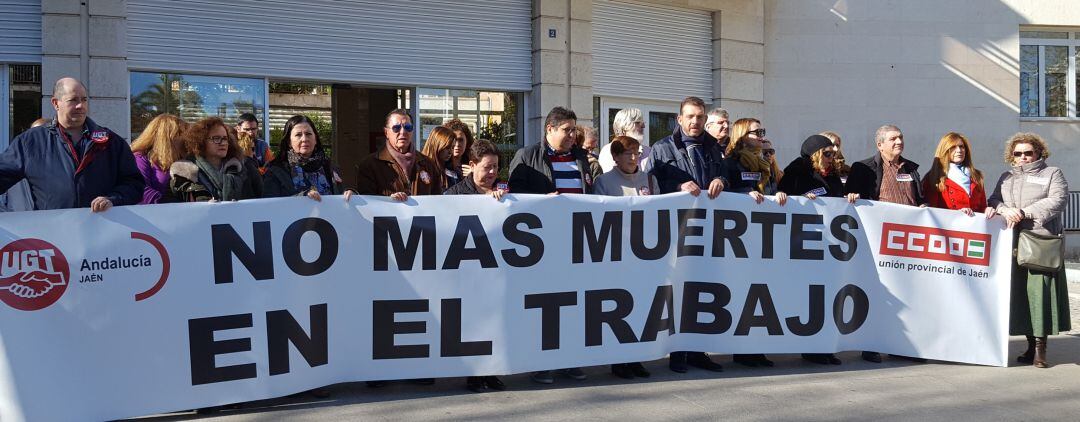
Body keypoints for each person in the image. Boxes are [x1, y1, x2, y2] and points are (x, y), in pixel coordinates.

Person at [647, 97, 726, 374]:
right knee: (678, 290)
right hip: (677, 230)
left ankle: (698, 350)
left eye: (700, 117)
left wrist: (721, 181)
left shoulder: (714, 147)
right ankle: (677, 352)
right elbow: (652, 184)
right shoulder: (662, 148)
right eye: (690, 117)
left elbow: (725, 175)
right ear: (679, 119)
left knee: (704, 289)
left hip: (709, 229)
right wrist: (678, 184)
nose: (695, 122)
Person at [986, 132, 1070, 368]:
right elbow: (993, 199)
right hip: (1012, 244)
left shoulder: (1052, 173)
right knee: (1021, 296)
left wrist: (1024, 212)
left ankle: (1041, 349)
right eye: (1018, 153)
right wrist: (1002, 209)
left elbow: (1058, 200)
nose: (1023, 157)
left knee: (1039, 295)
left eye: (1028, 153)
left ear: (1038, 153)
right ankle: (1030, 344)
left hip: (1040, 243)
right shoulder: (1006, 177)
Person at [844, 125, 925, 363]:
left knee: (906, 293)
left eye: (901, 137)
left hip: (906, 242)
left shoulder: (910, 168)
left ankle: (902, 346)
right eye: (893, 139)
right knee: (880, 294)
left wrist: (922, 208)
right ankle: (872, 345)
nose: (899, 141)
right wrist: (852, 197)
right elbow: (850, 197)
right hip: (877, 241)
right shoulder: (863, 168)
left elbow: (919, 198)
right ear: (880, 145)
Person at [0, 77, 142, 212]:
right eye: (73, 100)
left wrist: (113, 199)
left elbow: (134, 184)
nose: (80, 105)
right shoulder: (30, 142)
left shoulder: (111, 141)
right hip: (51, 233)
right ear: (56, 103)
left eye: (84, 100)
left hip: (101, 232)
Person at [774, 135, 854, 366]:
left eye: (834, 154)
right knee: (808, 297)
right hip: (804, 244)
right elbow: (784, 199)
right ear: (814, 154)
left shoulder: (833, 175)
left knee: (826, 296)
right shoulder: (797, 171)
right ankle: (810, 347)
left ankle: (824, 347)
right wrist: (800, 200)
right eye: (827, 154)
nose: (832, 158)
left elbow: (837, 200)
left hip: (828, 244)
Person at [442, 140, 509, 392]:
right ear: (472, 166)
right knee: (470, 324)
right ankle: (473, 374)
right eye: (487, 167)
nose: (492, 173)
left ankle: (491, 372)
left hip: (495, 273)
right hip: (466, 272)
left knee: (494, 322)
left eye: (496, 167)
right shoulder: (453, 195)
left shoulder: (503, 194)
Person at [508, 106, 599, 197]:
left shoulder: (581, 157)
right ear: (550, 129)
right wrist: (542, 200)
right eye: (566, 130)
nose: (572, 135)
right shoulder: (527, 156)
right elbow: (515, 193)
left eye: (574, 130)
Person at [169, 117, 262, 202]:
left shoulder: (244, 167)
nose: (223, 143)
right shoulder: (184, 174)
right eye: (216, 138)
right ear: (200, 141)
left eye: (225, 139)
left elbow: (261, 200)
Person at [355, 109, 441, 201]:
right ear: (386, 132)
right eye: (396, 128)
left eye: (407, 127)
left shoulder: (428, 164)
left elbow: (437, 202)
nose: (403, 132)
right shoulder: (369, 165)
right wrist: (388, 201)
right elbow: (366, 203)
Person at [263, 115, 354, 202]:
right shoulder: (276, 170)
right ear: (289, 142)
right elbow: (270, 205)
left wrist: (349, 194)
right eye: (298, 135)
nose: (304, 139)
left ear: (315, 139)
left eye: (308, 134)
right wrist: (303, 197)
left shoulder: (329, 167)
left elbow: (340, 195)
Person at [922, 132, 986, 216]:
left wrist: (988, 210)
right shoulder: (934, 177)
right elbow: (931, 212)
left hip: (975, 227)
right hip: (948, 227)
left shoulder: (976, 176)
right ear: (944, 150)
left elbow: (982, 207)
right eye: (953, 147)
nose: (959, 150)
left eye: (961, 146)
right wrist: (957, 214)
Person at [131, 114, 187, 204]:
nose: (185, 138)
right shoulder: (140, 158)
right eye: (180, 133)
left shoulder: (183, 160)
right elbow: (140, 188)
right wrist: (168, 202)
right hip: (153, 214)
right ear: (166, 137)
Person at [1, 118, 50, 212]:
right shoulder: (14, 170)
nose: (37, 140)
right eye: (33, 134)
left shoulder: (56, 171)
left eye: (42, 135)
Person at [721, 118, 773, 204]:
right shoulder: (730, 163)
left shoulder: (763, 163)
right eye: (758, 132)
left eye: (762, 132)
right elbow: (724, 192)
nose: (762, 136)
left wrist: (778, 193)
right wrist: (745, 193)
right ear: (743, 135)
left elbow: (771, 189)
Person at [598, 108, 651, 173]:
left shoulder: (648, 152)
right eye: (637, 123)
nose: (643, 126)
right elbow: (610, 180)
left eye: (643, 123)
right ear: (624, 126)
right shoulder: (609, 150)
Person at [420, 126, 462, 190]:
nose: (451, 152)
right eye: (447, 147)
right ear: (436, 145)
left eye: (452, 147)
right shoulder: (420, 168)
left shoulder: (452, 170)